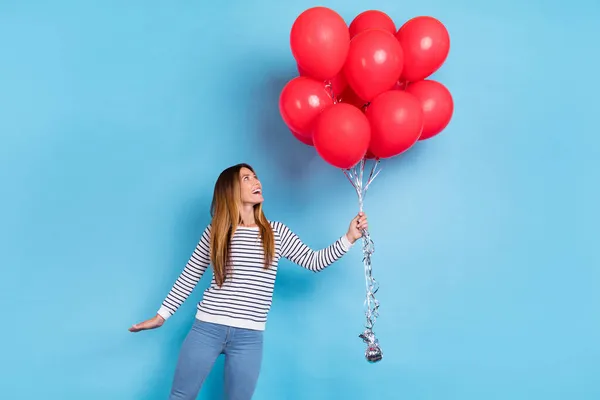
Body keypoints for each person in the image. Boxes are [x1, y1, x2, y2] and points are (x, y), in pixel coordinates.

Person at [129, 163, 368, 400]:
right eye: (247, 178)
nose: (257, 182)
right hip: (207, 328)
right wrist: (161, 315)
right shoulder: (216, 231)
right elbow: (190, 275)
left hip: (249, 336)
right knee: (181, 396)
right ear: (231, 190)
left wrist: (349, 238)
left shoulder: (276, 233)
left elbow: (314, 261)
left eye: (255, 177)